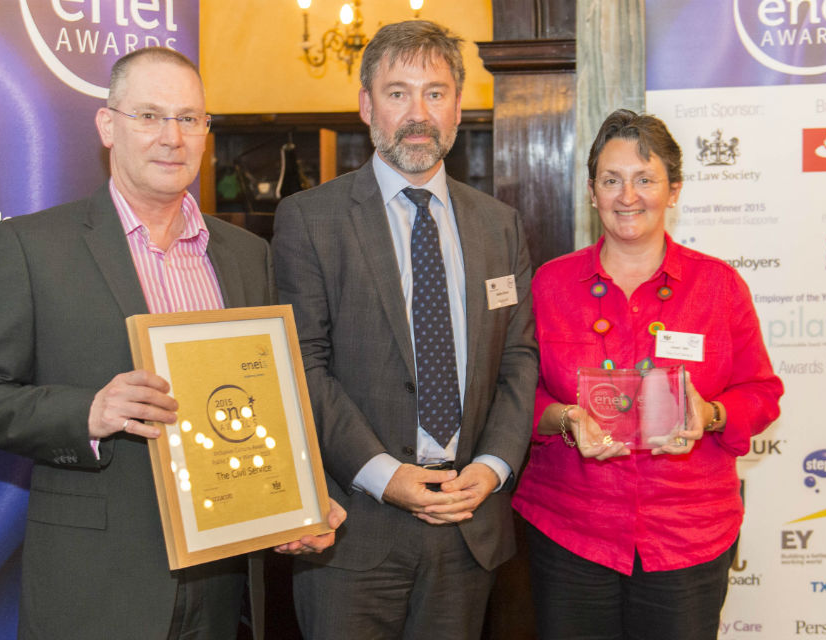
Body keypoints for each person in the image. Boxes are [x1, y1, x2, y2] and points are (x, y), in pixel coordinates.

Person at [0, 47, 342, 640]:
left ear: (206, 132)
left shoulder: (244, 254)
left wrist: (304, 497)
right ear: (108, 126)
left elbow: (264, 401)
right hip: (97, 583)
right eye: (149, 116)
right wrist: (89, 411)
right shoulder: (34, 247)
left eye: (189, 119)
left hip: (222, 580)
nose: (171, 138)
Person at [272, 20, 538, 640]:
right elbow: (300, 363)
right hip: (355, 532)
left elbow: (519, 358)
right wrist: (385, 474)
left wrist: (495, 465)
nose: (418, 114)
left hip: (467, 527)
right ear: (367, 106)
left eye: (435, 93)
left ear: (458, 106)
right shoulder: (311, 220)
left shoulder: (500, 225)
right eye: (398, 93)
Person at [512, 109, 784, 640]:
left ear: (674, 190)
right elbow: (518, 391)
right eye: (611, 180)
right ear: (592, 192)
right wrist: (565, 417)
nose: (627, 196)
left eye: (644, 180)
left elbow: (761, 391)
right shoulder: (550, 284)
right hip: (572, 533)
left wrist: (711, 414)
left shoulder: (719, 286)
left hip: (687, 537)